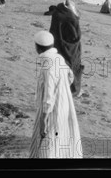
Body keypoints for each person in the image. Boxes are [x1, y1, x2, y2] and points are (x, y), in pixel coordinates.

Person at [29, 31, 82, 159]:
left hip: (52, 108)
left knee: (48, 138)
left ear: (38, 47)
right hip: (64, 102)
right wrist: (62, 90)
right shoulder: (58, 58)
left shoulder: (47, 66)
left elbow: (48, 96)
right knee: (62, 135)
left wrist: (43, 119)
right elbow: (70, 76)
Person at [49, 2, 83, 97]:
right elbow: (76, 36)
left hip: (57, 45)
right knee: (73, 67)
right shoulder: (72, 18)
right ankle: (73, 90)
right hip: (71, 49)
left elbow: (52, 31)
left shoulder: (56, 14)